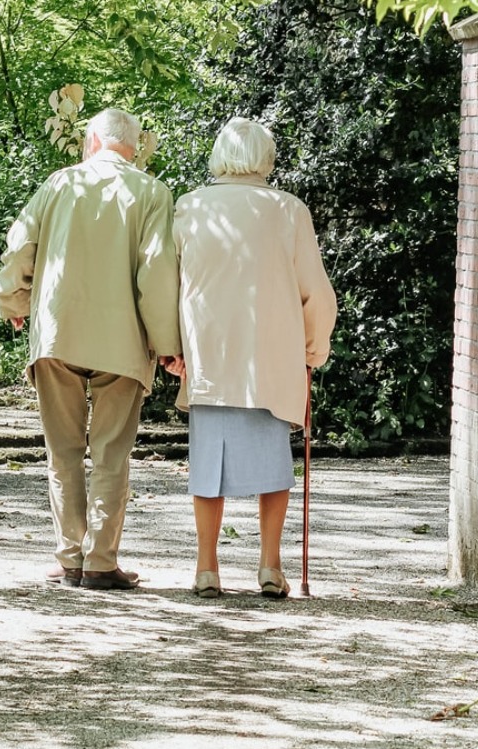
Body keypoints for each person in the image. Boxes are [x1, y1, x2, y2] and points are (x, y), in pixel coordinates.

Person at [0, 108, 182, 591]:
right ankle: (100, 562)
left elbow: (20, 248)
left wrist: (13, 300)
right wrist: (167, 345)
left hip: (58, 334)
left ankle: (69, 558)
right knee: (111, 454)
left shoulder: (58, 184)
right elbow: (157, 272)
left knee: (63, 452)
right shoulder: (152, 193)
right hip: (122, 341)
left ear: (93, 140)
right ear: (135, 147)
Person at [166, 117, 337, 599]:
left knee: (207, 466)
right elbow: (316, 293)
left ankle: (206, 568)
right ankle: (269, 565)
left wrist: (171, 348)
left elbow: (169, 285)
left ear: (220, 155)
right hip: (271, 356)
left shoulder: (190, 207)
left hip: (210, 354)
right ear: (266, 158)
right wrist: (312, 347)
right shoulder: (288, 211)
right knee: (273, 465)